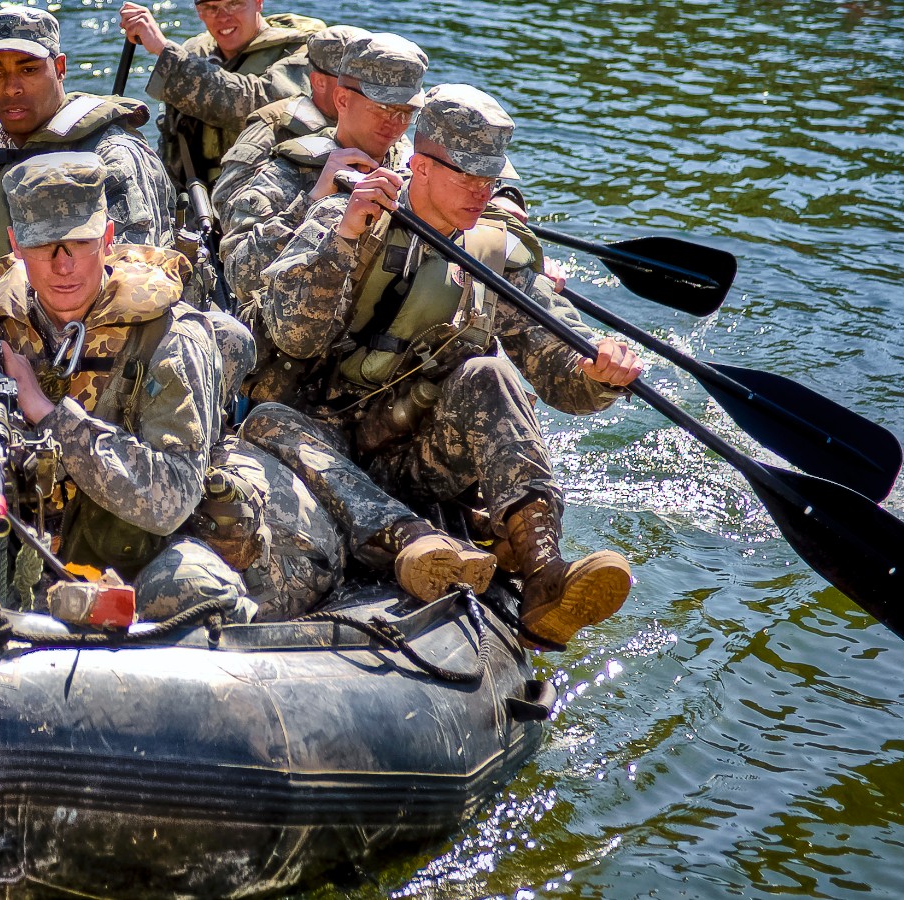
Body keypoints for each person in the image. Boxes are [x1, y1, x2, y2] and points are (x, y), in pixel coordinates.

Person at [248, 83, 644, 648]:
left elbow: (553, 361)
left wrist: (597, 373)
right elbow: (294, 332)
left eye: (491, 179)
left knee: (492, 374)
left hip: (414, 451)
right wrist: (343, 240)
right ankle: (411, 544)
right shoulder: (349, 214)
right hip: (317, 441)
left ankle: (543, 573)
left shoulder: (490, 253)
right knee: (267, 420)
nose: (482, 193)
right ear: (420, 167)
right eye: (468, 177)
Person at [0, 152, 252, 622]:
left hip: (134, 558)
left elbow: (173, 496)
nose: (61, 265)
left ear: (107, 240)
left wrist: (51, 417)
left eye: (78, 243)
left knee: (200, 593)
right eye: (43, 245)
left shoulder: (168, 335)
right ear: (15, 244)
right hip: (9, 547)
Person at [0, 7, 175, 293]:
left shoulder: (110, 154)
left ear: (59, 68)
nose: (11, 88)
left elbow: (135, 279)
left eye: (28, 69)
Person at [221, 32, 426, 326]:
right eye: (382, 107)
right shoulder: (288, 174)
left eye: (406, 112)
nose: (394, 123)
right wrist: (311, 202)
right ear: (342, 99)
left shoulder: (414, 172)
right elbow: (239, 278)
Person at [117, 0, 324, 188]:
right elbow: (172, 139)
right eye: (211, 7)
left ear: (258, 3)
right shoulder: (194, 51)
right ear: (199, 12)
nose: (223, 17)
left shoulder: (300, 51)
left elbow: (256, 103)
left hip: (263, 201)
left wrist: (164, 52)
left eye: (234, 4)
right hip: (192, 203)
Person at [209, 24, 369, 212]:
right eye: (355, 81)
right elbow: (228, 207)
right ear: (319, 82)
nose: (369, 92)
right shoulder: (273, 128)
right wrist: (306, 204)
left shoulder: (380, 126)